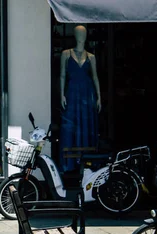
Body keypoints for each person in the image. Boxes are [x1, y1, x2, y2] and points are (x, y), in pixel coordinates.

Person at [59, 24, 101, 172]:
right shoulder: (66, 54)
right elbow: (62, 75)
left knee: (85, 124)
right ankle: (70, 162)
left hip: (86, 92)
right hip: (72, 92)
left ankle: (88, 161)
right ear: (75, 35)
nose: (80, 36)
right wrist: (61, 94)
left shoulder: (91, 56)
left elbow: (95, 77)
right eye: (78, 33)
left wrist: (99, 97)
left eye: (83, 34)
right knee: (71, 124)